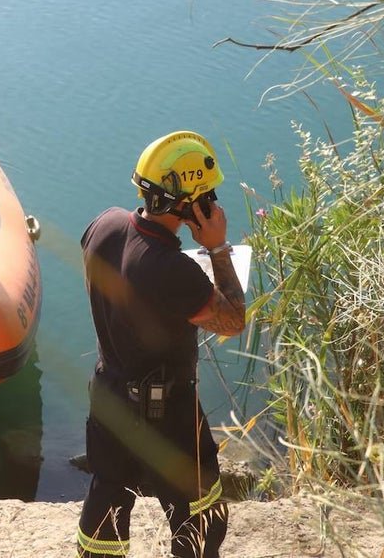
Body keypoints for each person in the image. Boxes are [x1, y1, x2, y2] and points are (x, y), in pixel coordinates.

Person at [76, 130, 247, 558]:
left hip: (110, 394)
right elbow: (232, 322)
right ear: (188, 202)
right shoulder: (172, 271)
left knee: (108, 500)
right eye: (206, 194)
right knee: (202, 517)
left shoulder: (104, 225)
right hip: (166, 409)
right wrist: (218, 248)